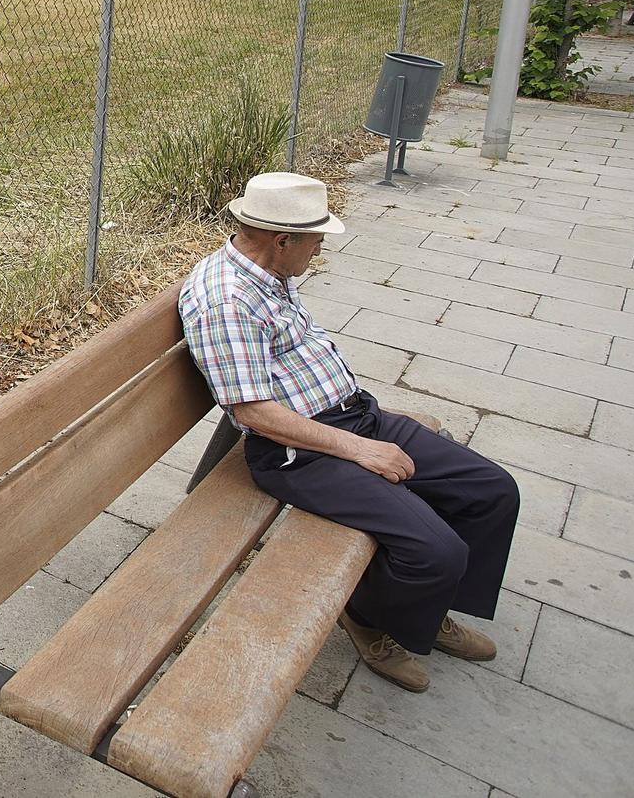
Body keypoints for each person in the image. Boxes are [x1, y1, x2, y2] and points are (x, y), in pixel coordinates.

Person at [179, 172, 519, 693]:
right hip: (300, 452)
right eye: (317, 239)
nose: (321, 248)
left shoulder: (268, 271)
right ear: (283, 239)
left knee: (491, 491)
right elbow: (254, 415)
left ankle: (428, 610)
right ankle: (367, 616)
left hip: (354, 415)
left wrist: (365, 432)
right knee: (436, 550)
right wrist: (361, 450)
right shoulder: (226, 301)